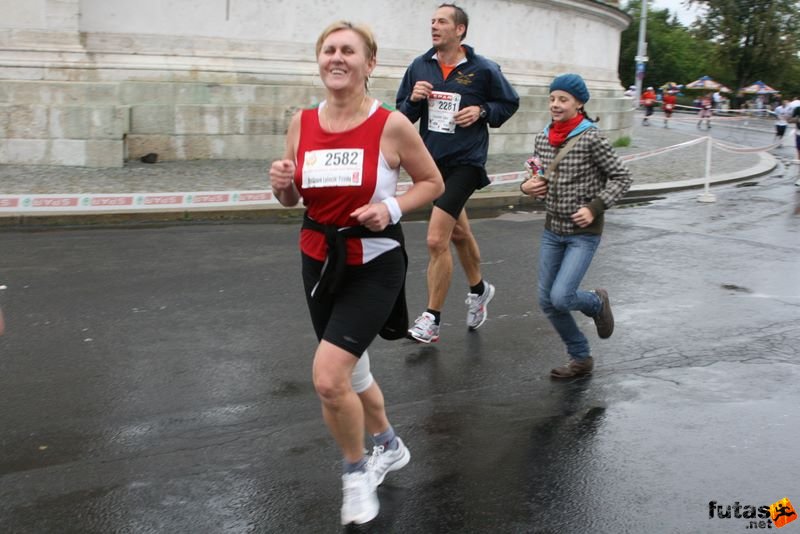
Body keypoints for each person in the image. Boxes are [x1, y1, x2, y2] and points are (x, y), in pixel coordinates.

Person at [269, 21, 444, 525]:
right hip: (318, 258)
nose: (337, 58)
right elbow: (293, 199)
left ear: (370, 64)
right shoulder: (302, 122)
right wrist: (282, 184)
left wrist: (389, 208)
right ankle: (388, 444)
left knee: (328, 378)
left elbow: (431, 182)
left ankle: (354, 473)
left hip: (373, 262)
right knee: (353, 369)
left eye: (350, 51)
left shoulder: (390, 124)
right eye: (329, 50)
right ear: (319, 60)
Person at [396, 3, 519, 343]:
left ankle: (432, 320)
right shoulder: (420, 66)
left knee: (437, 238)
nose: (434, 26)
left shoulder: (483, 69)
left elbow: (509, 103)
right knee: (459, 234)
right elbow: (401, 116)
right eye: (432, 21)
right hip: (431, 164)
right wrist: (414, 100)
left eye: (442, 22)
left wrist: (481, 111)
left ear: (460, 30)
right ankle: (480, 290)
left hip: (466, 162)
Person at [520, 74, 632, 378]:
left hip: (583, 234)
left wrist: (594, 208)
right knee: (547, 300)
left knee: (561, 297)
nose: (555, 104)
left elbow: (623, 177)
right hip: (552, 229)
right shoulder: (543, 136)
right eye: (553, 98)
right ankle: (581, 357)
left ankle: (596, 302)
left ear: (579, 104)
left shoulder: (592, 138)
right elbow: (538, 174)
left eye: (563, 99)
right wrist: (527, 186)